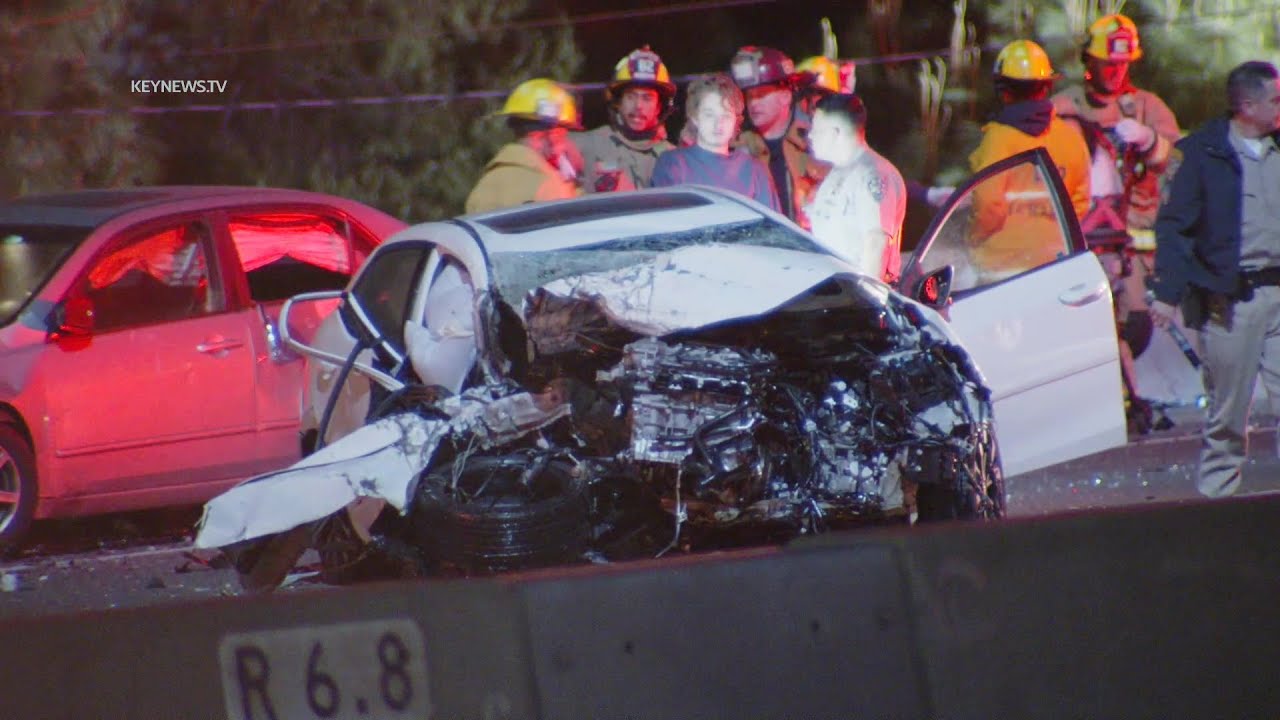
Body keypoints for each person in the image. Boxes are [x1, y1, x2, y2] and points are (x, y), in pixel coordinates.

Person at [1149, 61, 1280, 498]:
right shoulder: (1201, 154)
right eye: (1276, 100)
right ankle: (1217, 503)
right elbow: (1174, 228)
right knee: (1228, 413)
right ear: (1247, 105)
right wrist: (1167, 292)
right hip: (1232, 300)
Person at [1052, 13, 1182, 386]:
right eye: (1108, 64)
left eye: (1122, 64)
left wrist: (1150, 141)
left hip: (1130, 248)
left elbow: (1181, 164)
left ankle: (1126, 395)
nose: (1115, 72)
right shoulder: (1064, 109)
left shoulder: (1147, 108)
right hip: (1077, 243)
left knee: (1135, 326)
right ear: (1089, 61)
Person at [966, 40, 1091, 279]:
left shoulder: (997, 140)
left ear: (1003, 91)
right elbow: (1079, 205)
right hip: (1055, 266)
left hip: (1001, 270)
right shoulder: (1071, 138)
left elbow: (987, 206)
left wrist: (972, 239)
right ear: (1046, 87)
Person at [805, 92, 907, 283]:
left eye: (816, 129)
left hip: (854, 291)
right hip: (835, 288)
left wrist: (864, 295)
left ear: (835, 133)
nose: (810, 135)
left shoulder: (873, 173)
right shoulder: (838, 173)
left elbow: (875, 242)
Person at [650, 73, 781, 212]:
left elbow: (771, 222)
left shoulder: (755, 170)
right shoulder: (673, 163)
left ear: (735, 120)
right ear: (695, 117)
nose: (718, 124)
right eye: (709, 115)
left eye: (726, 116)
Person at [728, 46, 829, 227]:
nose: (753, 103)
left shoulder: (817, 143)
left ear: (785, 96)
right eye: (749, 96)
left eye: (761, 94)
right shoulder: (738, 148)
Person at [465, 78, 584, 214]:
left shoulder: (485, 184)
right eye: (563, 133)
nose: (565, 142)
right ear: (549, 135)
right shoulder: (552, 188)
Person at [572, 46, 677, 193]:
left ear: (659, 107)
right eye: (630, 96)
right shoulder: (589, 144)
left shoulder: (674, 159)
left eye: (647, 98)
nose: (638, 106)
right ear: (618, 102)